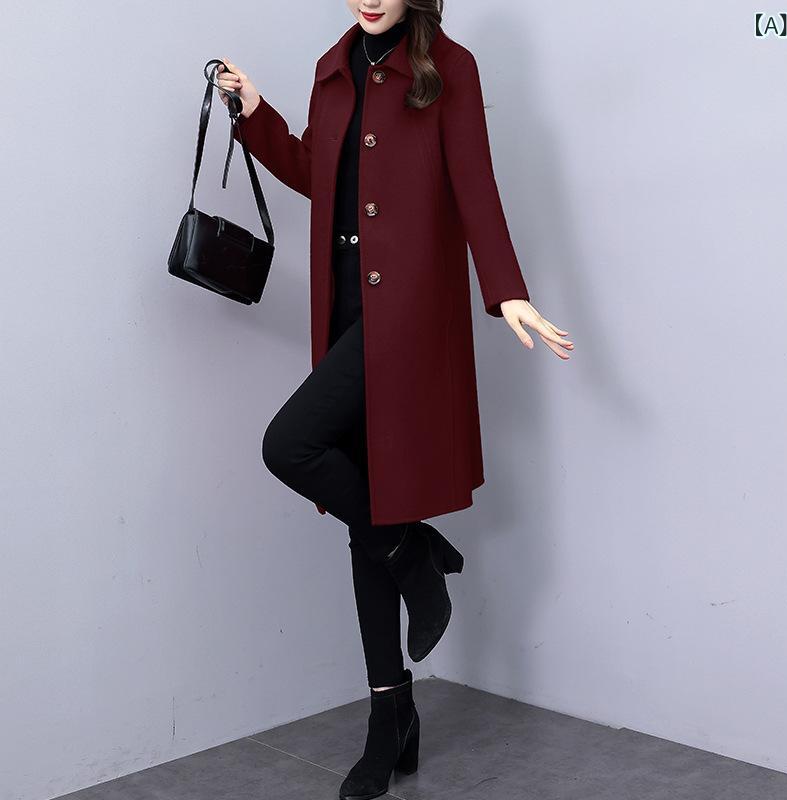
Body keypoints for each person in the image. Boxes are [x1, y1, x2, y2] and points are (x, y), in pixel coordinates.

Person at [217, 2, 573, 797]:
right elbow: (318, 173)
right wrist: (257, 114)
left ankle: (412, 553)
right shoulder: (332, 69)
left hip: (405, 317)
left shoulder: (450, 68)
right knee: (368, 517)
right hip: (344, 311)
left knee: (290, 445)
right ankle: (393, 713)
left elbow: (475, 186)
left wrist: (508, 291)